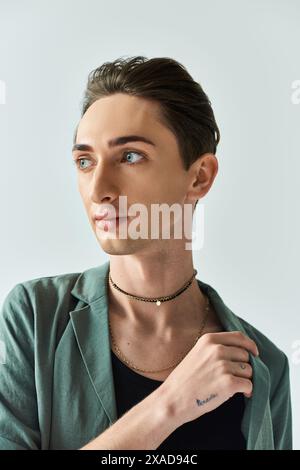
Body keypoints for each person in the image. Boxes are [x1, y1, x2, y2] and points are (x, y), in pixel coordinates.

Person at [0, 56, 292, 450]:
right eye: (85, 162)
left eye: (130, 156)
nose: (98, 188)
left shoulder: (264, 367)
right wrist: (169, 406)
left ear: (199, 176)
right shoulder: (35, 319)